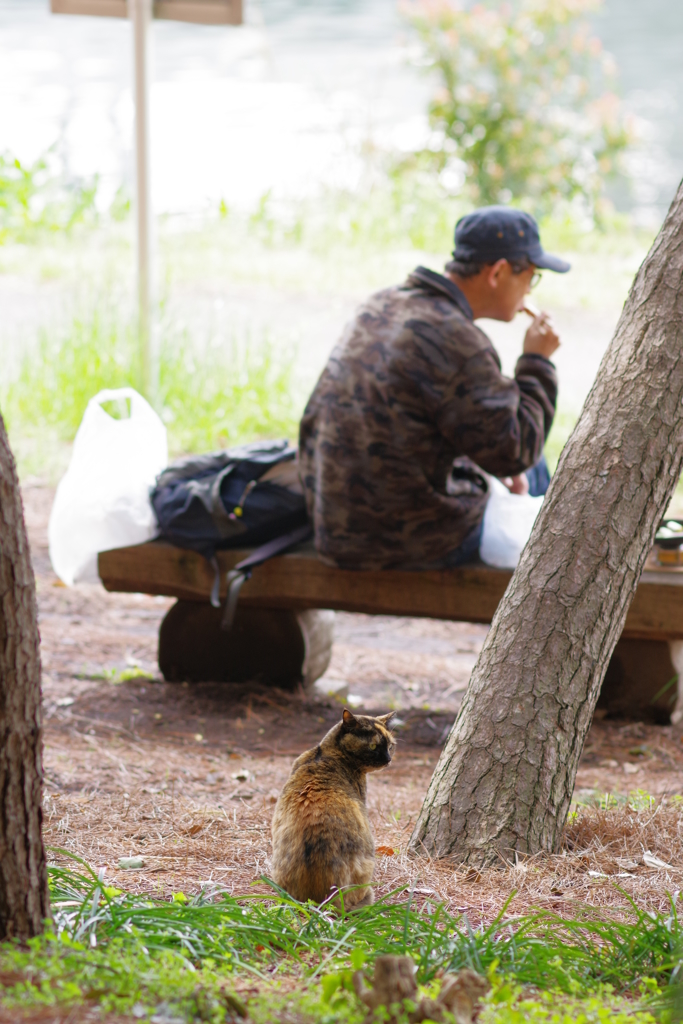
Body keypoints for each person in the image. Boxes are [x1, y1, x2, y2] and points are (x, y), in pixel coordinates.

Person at [298, 206, 570, 571]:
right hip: (397, 539)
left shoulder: (382, 303)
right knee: (533, 464)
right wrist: (537, 362)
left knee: (512, 464)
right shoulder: (457, 339)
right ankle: (546, 591)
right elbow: (516, 450)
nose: (529, 290)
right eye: (532, 277)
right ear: (499, 272)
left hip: (332, 522)